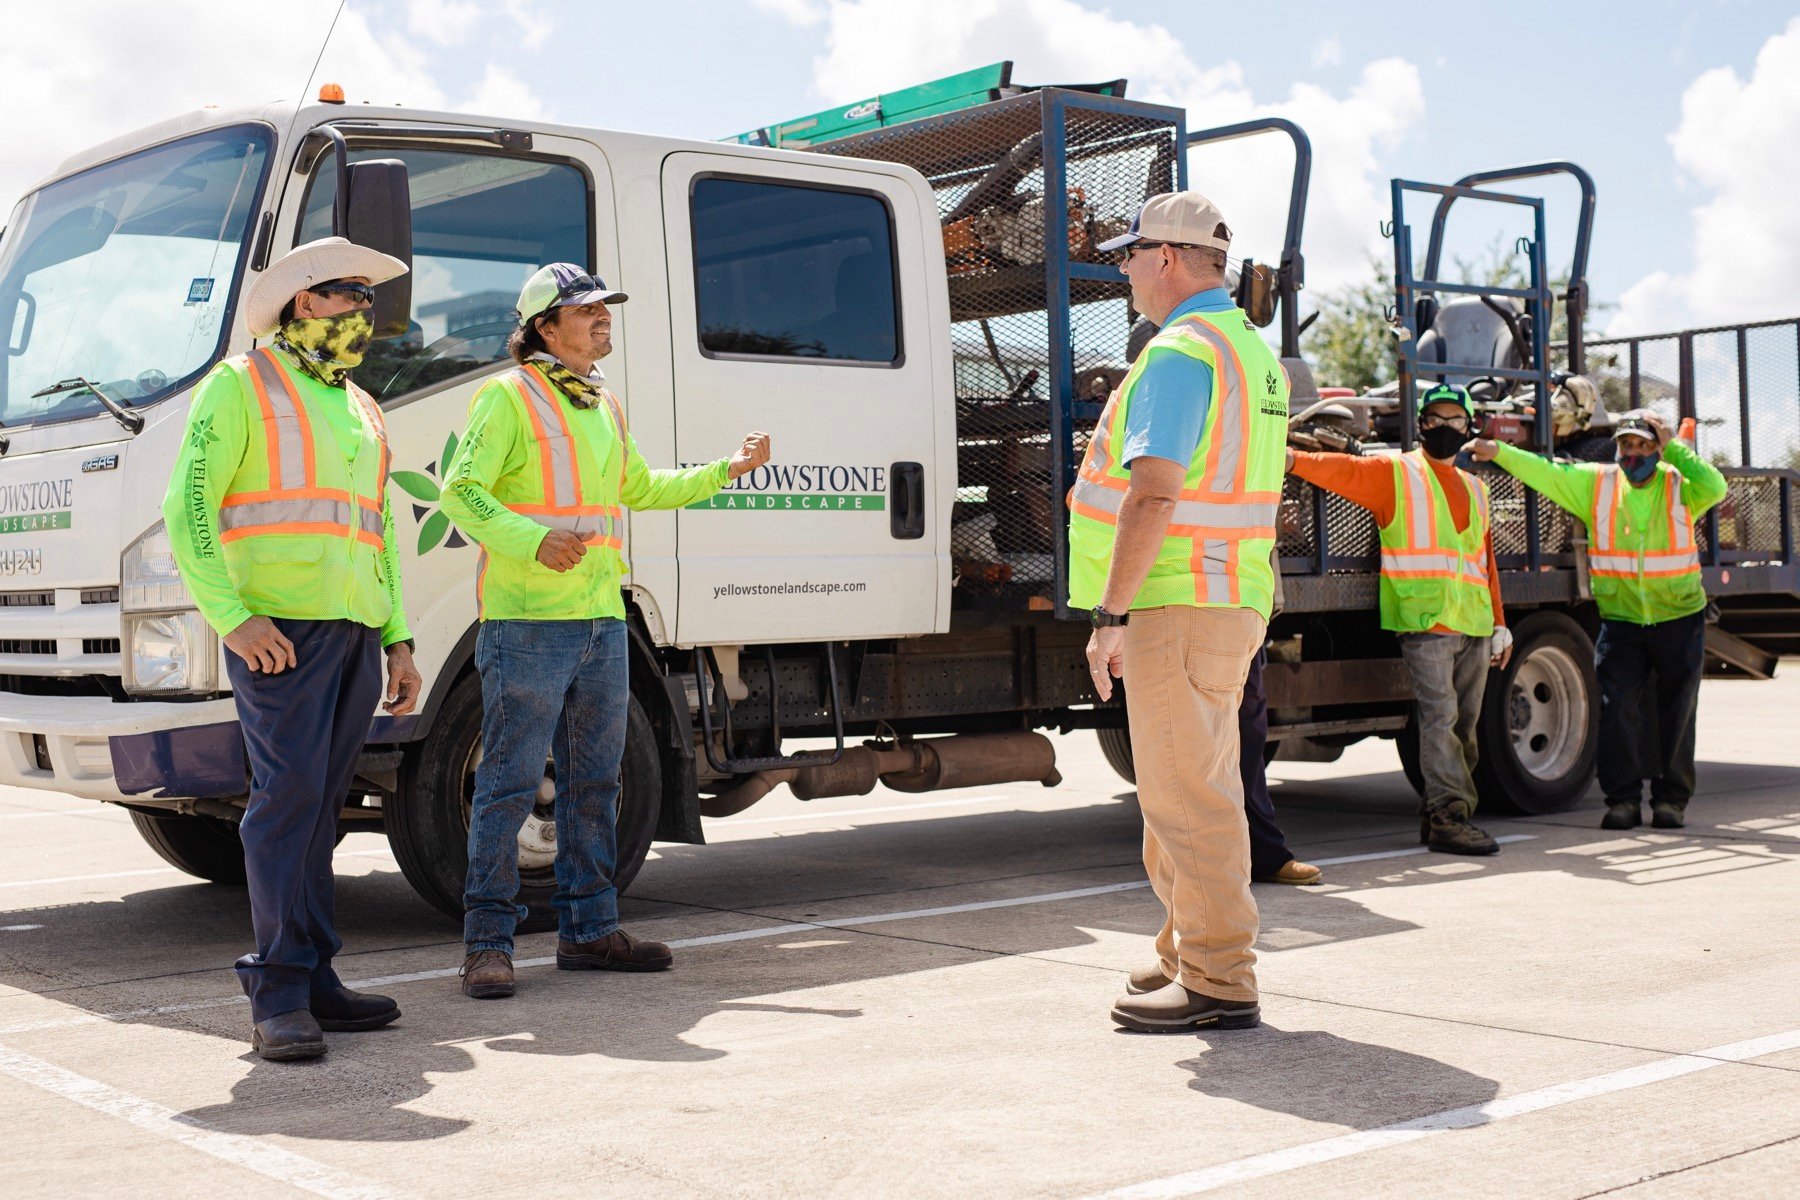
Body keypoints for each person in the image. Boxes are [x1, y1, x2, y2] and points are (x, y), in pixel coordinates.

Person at [441, 263, 771, 999]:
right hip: (528, 620)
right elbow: (459, 492)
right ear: (543, 328)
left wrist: (728, 469)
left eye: (604, 310)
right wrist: (532, 539)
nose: (602, 319)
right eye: (585, 310)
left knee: (595, 782)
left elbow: (639, 488)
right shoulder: (506, 396)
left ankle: (589, 931)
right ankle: (487, 945)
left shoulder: (602, 404)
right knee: (508, 784)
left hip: (599, 618)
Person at [164, 237, 422, 1062]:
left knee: (318, 807)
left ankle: (314, 980)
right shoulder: (240, 385)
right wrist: (232, 618)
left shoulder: (362, 405)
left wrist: (398, 637)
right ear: (304, 301)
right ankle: (275, 991)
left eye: (367, 298)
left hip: (352, 629)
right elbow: (188, 506)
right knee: (285, 802)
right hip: (275, 632)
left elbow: (375, 531)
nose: (364, 311)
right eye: (350, 294)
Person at [1071, 192, 1288, 1032]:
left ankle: (1218, 978)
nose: (1122, 269)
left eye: (1129, 254)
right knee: (1180, 786)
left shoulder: (1179, 353)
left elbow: (1154, 493)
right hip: (1226, 594)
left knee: (1186, 797)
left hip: (1175, 598)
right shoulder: (1247, 352)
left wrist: (1110, 614)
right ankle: (1182, 950)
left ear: (1165, 258)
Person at [1125, 316, 1319, 887]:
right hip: (1178, 600)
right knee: (1187, 755)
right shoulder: (1145, 421)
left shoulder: (1230, 407)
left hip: (1234, 599)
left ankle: (1257, 854)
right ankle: (1204, 884)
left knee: (1242, 733)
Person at [1469, 410, 1726, 829]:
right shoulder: (1598, 484)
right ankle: (1622, 800)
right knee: (1617, 709)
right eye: (1627, 445)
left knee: (1676, 712)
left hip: (1679, 616)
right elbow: (1545, 472)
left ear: (1657, 449)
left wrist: (1673, 445)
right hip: (1622, 621)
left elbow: (1717, 485)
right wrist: (1498, 450)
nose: (1634, 453)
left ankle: (1671, 801)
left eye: (1644, 445)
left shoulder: (1681, 486)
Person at [1286, 384, 1511, 855]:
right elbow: (1344, 471)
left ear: (1468, 428)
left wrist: (1499, 623)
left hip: (1472, 623)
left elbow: (1484, 560)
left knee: (1464, 726)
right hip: (1425, 623)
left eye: (1455, 420)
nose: (1445, 428)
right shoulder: (1399, 473)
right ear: (1421, 424)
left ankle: (1439, 813)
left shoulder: (1476, 487)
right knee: (1440, 718)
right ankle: (1450, 818)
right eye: (1436, 419)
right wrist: (1291, 460)